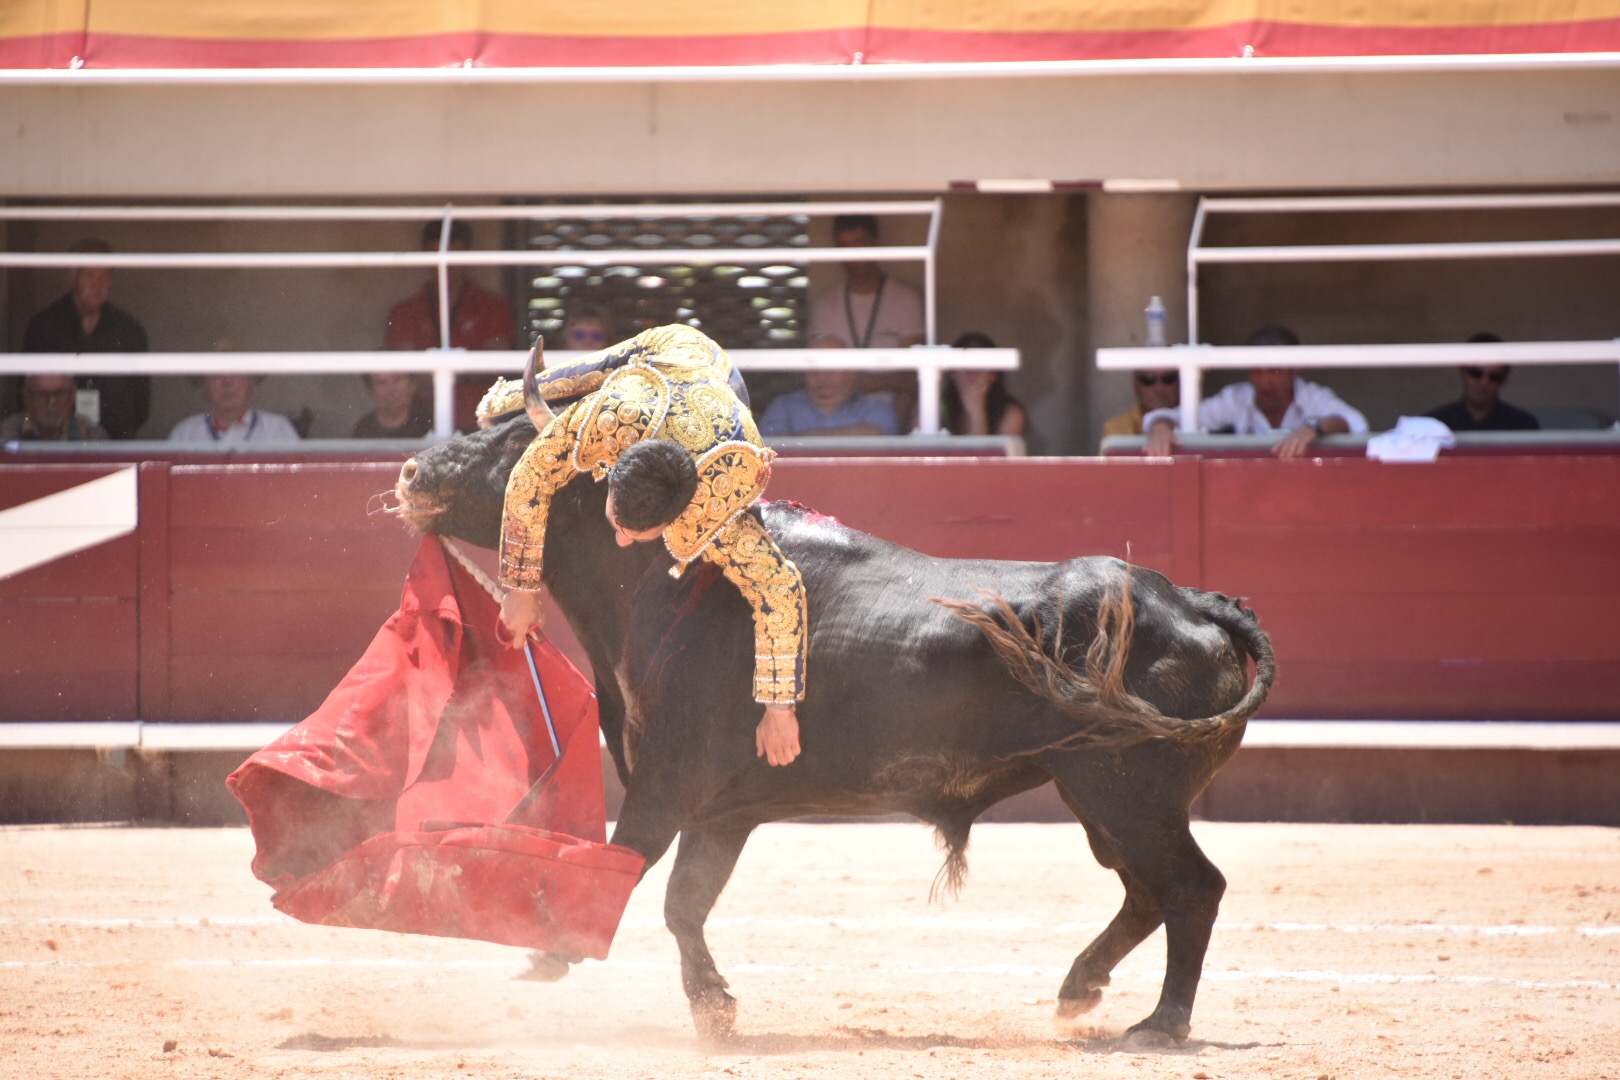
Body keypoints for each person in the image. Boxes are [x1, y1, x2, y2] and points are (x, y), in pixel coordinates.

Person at [490, 324, 806, 767]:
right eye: (619, 523)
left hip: (716, 388)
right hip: (673, 353)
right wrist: (519, 589)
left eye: (632, 535)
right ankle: (507, 396)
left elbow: (779, 588)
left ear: (676, 518)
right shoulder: (611, 417)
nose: (619, 540)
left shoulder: (718, 497)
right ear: (614, 470)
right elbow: (530, 474)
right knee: (518, 399)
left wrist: (779, 710)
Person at [1143, 325, 1368, 459]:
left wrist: (1315, 428)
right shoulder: (1236, 398)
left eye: (1275, 371)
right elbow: (1177, 418)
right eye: (1257, 371)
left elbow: (1356, 421)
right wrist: (1161, 428)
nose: (1265, 381)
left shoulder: (1312, 396)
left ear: (1294, 371)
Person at [385, 220, 515, 432]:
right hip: (417, 423)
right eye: (436, 254)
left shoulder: (493, 307)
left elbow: (495, 367)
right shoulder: (404, 312)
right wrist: (467, 365)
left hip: (481, 420)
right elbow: (404, 375)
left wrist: (435, 369)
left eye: (455, 254)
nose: (445, 264)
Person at [20, 238, 151, 440]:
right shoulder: (44, 326)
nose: (97, 284)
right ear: (72, 277)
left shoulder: (129, 330)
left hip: (114, 446)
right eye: (89, 275)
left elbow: (141, 403)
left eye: (105, 275)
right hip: (56, 446)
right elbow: (25, 394)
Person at [807, 213, 927, 428]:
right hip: (836, 419)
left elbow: (910, 378)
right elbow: (822, 375)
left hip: (895, 415)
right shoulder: (825, 305)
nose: (852, 254)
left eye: (858, 243)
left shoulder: (905, 300)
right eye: (843, 246)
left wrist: (894, 431)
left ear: (876, 244)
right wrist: (887, 380)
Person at [1425, 333, 1540, 431]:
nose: (1484, 382)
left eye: (1494, 376)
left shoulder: (1522, 425)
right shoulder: (1435, 424)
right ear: (1461, 371)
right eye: (1476, 373)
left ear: (1504, 379)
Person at [757, 366, 901, 437]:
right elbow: (770, 446)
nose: (822, 380)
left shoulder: (877, 407)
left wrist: (802, 438)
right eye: (814, 372)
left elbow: (876, 435)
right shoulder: (783, 405)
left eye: (831, 372)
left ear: (850, 374)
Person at [169, 374, 301, 443]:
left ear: (251, 384)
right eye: (217, 374)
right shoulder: (184, 433)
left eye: (236, 373)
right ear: (204, 388)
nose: (227, 382)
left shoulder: (278, 429)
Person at [942, 332, 1027, 437]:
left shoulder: (1011, 414)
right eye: (965, 367)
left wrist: (977, 414)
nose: (971, 375)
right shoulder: (933, 409)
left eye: (979, 368)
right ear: (952, 373)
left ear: (993, 375)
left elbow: (984, 453)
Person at [0, 373, 109, 442]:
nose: (52, 401)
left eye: (60, 393)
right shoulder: (6, 434)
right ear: (27, 396)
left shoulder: (91, 433)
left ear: (72, 395)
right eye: (42, 394)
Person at [1102, 368, 1180, 440]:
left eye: (1169, 379)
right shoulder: (1117, 428)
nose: (1159, 388)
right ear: (1136, 383)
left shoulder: (1191, 420)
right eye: (1148, 380)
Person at [352, 372, 434, 439]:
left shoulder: (432, 421)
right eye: (382, 383)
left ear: (412, 384)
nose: (391, 391)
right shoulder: (364, 429)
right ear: (371, 390)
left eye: (397, 380)